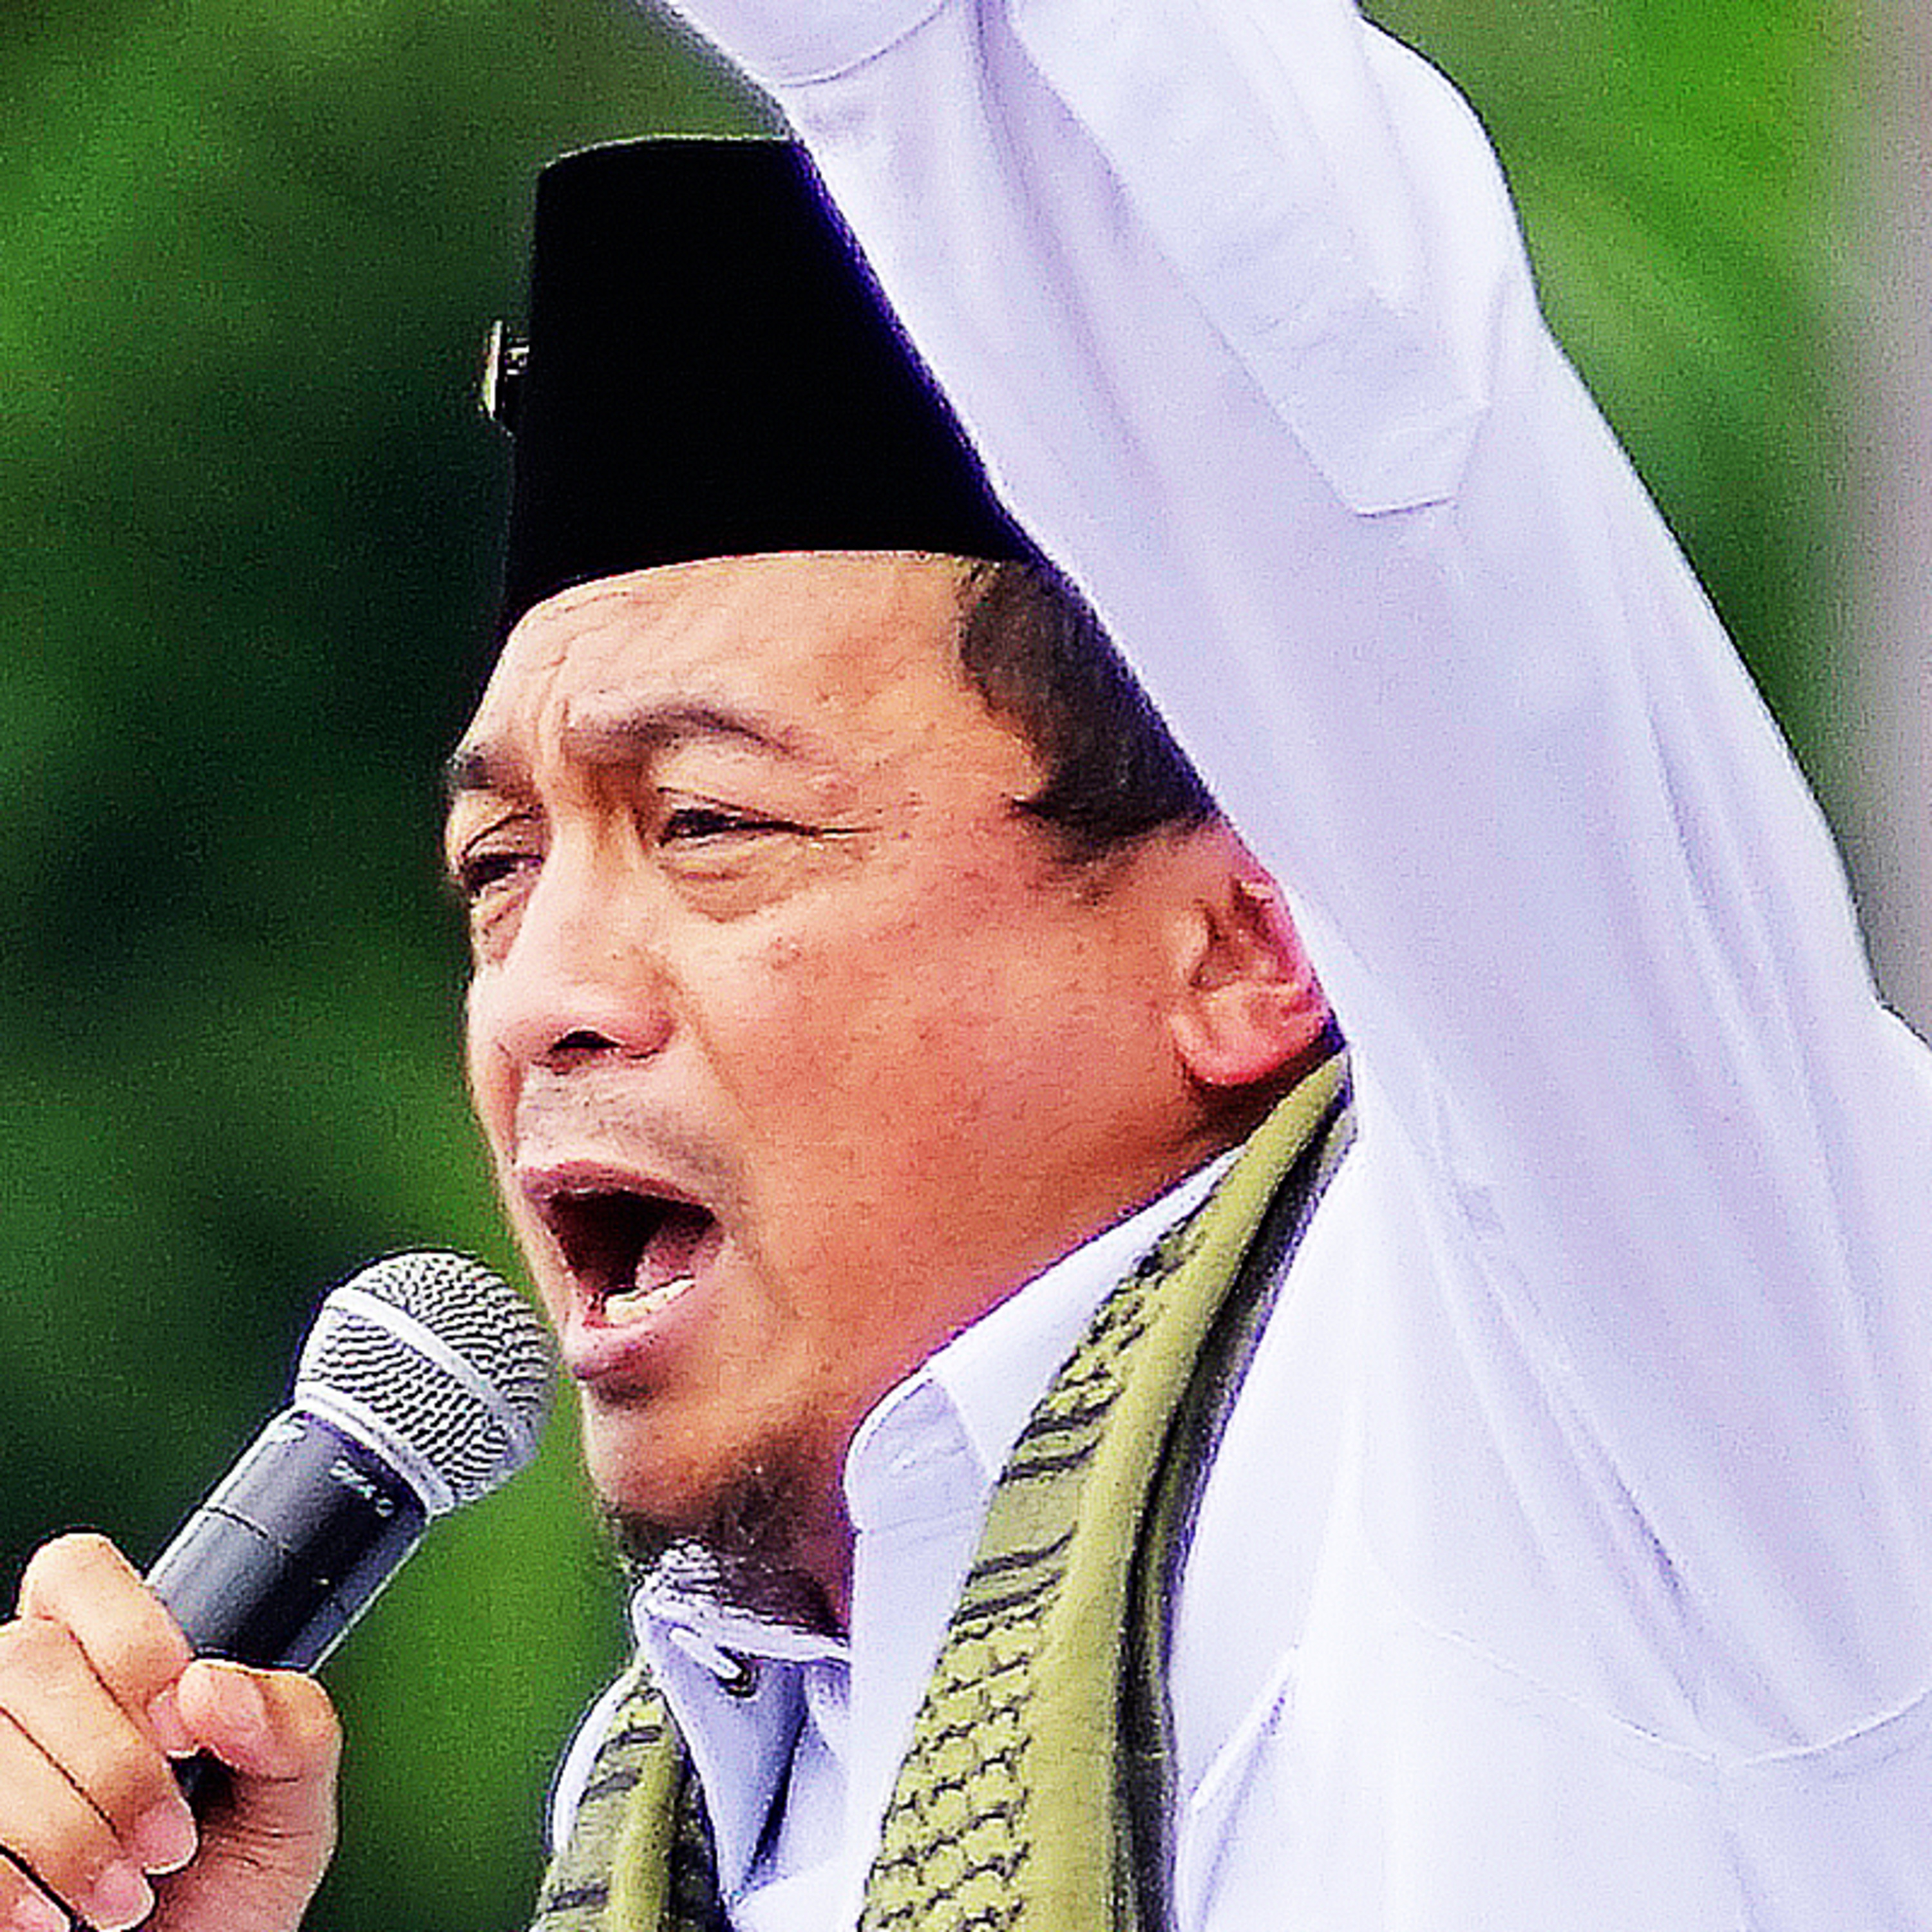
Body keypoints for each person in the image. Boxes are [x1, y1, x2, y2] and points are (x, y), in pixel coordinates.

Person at [4, 0, 1931, 1926]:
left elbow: (1403, 495)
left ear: (1251, 939)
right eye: (499, 869)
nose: (545, 997)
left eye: (709, 823)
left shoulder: (1628, 1437)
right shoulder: (674, 1821)